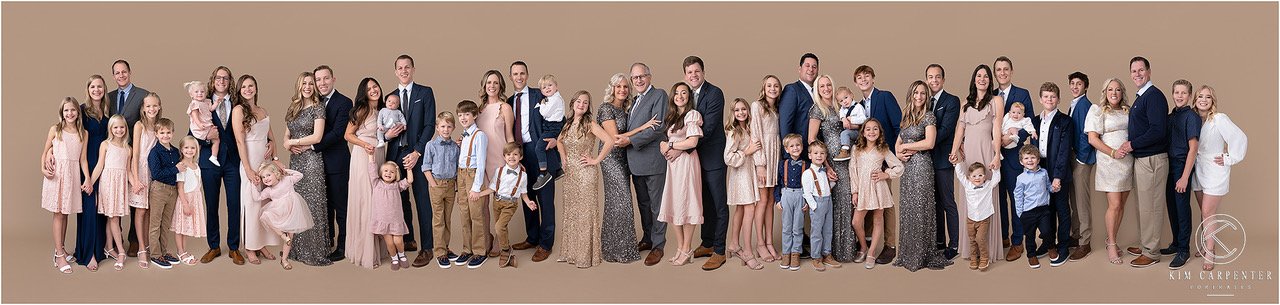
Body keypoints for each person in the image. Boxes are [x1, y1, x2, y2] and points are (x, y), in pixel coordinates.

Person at [947, 64, 1006, 265]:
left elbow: (997, 128)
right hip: (969, 154)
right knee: (969, 194)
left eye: (986, 76)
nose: (982, 79)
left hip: (986, 151)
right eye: (979, 76)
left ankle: (988, 250)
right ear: (974, 79)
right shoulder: (965, 103)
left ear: (990, 81)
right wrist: (954, 151)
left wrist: (997, 154)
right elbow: (959, 131)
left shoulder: (996, 101)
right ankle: (971, 249)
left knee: (988, 194)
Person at [892, 81, 952, 271]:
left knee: (921, 208)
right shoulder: (906, 117)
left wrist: (906, 147)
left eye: (923, 94)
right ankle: (908, 254)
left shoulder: (929, 116)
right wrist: (899, 153)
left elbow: (929, 143)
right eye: (916, 93)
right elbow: (898, 142)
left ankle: (922, 254)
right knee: (909, 209)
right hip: (907, 170)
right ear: (911, 94)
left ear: (926, 97)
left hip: (922, 167)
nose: (919, 96)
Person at [385, 54, 437, 256]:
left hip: (418, 153)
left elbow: (429, 125)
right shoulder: (389, 97)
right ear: (395, 71)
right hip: (395, 154)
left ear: (413, 69)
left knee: (422, 199)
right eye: (400, 68)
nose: (404, 71)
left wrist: (417, 151)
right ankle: (408, 240)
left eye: (407, 67)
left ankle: (427, 247)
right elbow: (384, 128)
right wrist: (388, 136)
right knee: (400, 200)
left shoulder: (424, 93)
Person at [1191, 85, 1246, 271]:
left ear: (1212, 101)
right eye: (1200, 96)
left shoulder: (1219, 119)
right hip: (1198, 168)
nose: (1203, 100)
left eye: (1208, 97)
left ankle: (1210, 251)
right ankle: (1207, 243)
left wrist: (1230, 158)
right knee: (1203, 210)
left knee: (1208, 211)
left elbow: (1240, 138)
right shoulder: (1193, 119)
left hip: (1215, 169)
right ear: (1195, 99)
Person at [507, 61, 558, 263]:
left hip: (541, 151)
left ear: (527, 75)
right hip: (519, 154)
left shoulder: (541, 95)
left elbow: (558, 115)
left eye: (522, 73)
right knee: (525, 194)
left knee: (545, 200)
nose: (519, 77)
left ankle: (545, 244)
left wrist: (556, 136)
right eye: (515, 74)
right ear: (510, 77)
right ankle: (532, 237)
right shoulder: (509, 101)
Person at [1120, 56, 1169, 268]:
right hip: (1142, 159)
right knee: (1143, 206)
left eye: (1141, 70)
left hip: (1153, 160)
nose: (1137, 74)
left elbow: (1158, 131)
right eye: (1133, 71)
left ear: (1149, 71)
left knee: (1152, 207)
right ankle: (1146, 243)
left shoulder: (1154, 96)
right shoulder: (1141, 96)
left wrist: (1131, 144)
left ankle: (1152, 252)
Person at [682, 56, 729, 271]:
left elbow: (707, 129)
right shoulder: (684, 94)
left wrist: (682, 148)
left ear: (703, 72)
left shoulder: (715, 93)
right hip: (693, 160)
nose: (694, 75)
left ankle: (719, 250)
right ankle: (707, 243)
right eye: (690, 72)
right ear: (685, 75)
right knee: (705, 203)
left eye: (697, 71)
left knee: (719, 204)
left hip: (712, 157)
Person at [555, 91, 611, 268]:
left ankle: (586, 256)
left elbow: (609, 141)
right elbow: (559, 142)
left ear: (588, 107)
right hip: (571, 175)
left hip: (586, 174)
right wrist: (563, 157)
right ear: (573, 103)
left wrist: (595, 160)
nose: (581, 104)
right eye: (578, 101)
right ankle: (570, 252)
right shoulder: (568, 123)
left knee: (586, 213)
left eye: (585, 103)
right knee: (571, 212)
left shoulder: (590, 124)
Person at [618, 63, 666, 265]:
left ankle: (658, 246)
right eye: (635, 77)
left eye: (642, 76)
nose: (638, 80)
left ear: (650, 77)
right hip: (635, 162)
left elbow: (657, 127)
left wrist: (630, 141)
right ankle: (647, 238)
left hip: (653, 161)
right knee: (643, 205)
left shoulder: (659, 95)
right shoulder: (634, 101)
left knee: (656, 206)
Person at [282, 72, 332, 266]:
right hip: (295, 161)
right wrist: (287, 143)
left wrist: (294, 141)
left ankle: (315, 251)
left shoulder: (318, 108)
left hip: (311, 161)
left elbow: (317, 137)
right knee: (297, 204)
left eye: (311, 83)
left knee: (313, 203)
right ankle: (298, 250)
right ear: (299, 86)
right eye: (304, 83)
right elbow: (286, 135)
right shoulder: (293, 107)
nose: (308, 86)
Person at [197, 66, 245, 265]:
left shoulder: (238, 103)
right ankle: (214, 246)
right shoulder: (202, 102)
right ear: (213, 80)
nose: (222, 81)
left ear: (230, 81)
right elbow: (193, 132)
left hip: (233, 161)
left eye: (225, 78)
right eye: (218, 77)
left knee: (234, 204)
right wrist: (207, 138)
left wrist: (269, 142)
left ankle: (234, 247)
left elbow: (250, 126)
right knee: (212, 205)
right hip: (210, 161)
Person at [221, 75, 270, 265]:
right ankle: (250, 247)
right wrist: (248, 168)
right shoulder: (238, 110)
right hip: (249, 160)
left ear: (256, 88)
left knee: (264, 203)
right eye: (244, 87)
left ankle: (261, 243)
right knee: (251, 205)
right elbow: (240, 141)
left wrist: (273, 148)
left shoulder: (262, 110)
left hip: (264, 163)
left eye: (251, 86)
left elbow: (269, 135)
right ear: (240, 91)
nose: (248, 89)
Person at [1085, 78, 1134, 265]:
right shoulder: (1097, 111)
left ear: (1122, 92)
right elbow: (1092, 139)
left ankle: (1110, 238)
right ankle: (1112, 244)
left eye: (1118, 89)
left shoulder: (1127, 110)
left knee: (1121, 204)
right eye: (1110, 89)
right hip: (1109, 162)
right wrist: (1113, 152)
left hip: (1127, 162)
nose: (1114, 93)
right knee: (1114, 205)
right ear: (1105, 92)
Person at [807, 74, 854, 263]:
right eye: (822, 86)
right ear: (817, 90)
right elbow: (811, 139)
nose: (826, 88)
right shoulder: (817, 109)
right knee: (832, 206)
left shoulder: (839, 106)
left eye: (828, 85)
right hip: (830, 162)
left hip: (847, 159)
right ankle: (828, 251)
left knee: (846, 201)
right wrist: (825, 166)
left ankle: (845, 249)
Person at [599, 73, 645, 264]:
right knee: (622, 201)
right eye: (619, 87)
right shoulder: (605, 109)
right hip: (610, 159)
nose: (622, 90)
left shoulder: (627, 110)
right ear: (612, 88)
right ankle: (619, 250)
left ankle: (614, 248)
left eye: (626, 87)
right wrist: (644, 127)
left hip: (625, 160)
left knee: (616, 203)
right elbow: (616, 140)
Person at [107, 60, 151, 257]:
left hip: (136, 153)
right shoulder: (109, 97)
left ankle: (135, 240)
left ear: (130, 73)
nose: (121, 75)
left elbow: (153, 119)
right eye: (117, 73)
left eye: (124, 72)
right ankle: (115, 241)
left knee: (136, 197)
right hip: (114, 155)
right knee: (113, 198)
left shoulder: (142, 95)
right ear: (114, 76)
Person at [310, 65, 353, 263]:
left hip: (337, 163)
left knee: (340, 206)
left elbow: (338, 133)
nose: (322, 83)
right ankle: (327, 242)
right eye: (318, 80)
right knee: (324, 206)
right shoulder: (312, 102)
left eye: (326, 78)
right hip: (316, 165)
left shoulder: (344, 102)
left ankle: (343, 246)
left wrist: (312, 147)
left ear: (333, 79)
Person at [660, 81, 705, 267]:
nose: (680, 96)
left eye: (684, 93)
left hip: (687, 164)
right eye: (676, 93)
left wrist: (671, 146)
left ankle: (687, 248)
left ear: (689, 96)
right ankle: (680, 248)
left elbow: (692, 142)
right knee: (674, 203)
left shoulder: (692, 115)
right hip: (673, 167)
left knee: (687, 203)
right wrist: (664, 148)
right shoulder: (671, 117)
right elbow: (666, 142)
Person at [1029, 82, 1074, 267]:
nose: (1049, 99)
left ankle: (1063, 246)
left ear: (1058, 99)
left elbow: (1064, 151)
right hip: (1041, 169)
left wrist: (1057, 177)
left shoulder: (1065, 121)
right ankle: (1049, 244)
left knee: (1061, 209)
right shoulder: (1035, 121)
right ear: (1040, 99)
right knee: (1045, 210)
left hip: (1058, 168)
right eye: (1046, 96)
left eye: (1053, 96)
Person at [345, 77, 388, 269]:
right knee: (367, 200)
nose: (373, 90)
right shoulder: (362, 110)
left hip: (379, 155)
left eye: (375, 86)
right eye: (369, 88)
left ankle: (378, 246)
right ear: (364, 92)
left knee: (378, 199)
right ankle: (365, 250)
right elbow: (348, 134)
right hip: (363, 156)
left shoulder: (384, 111)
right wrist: (365, 145)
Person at [851, 119, 904, 269]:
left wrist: (886, 174)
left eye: (875, 129)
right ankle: (863, 247)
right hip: (862, 189)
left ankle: (871, 252)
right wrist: (854, 191)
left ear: (880, 132)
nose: (872, 132)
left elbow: (899, 166)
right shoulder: (856, 149)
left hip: (878, 188)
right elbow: (852, 170)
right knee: (856, 222)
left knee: (878, 219)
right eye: (868, 129)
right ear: (863, 132)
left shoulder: (883, 149)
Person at [474, 143, 539, 268]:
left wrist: (528, 202)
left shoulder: (523, 175)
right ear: (504, 157)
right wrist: (480, 194)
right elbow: (492, 188)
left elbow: (523, 193)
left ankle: (505, 250)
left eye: (515, 154)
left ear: (520, 157)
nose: (512, 157)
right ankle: (506, 252)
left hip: (510, 204)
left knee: (499, 226)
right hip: (496, 202)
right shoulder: (499, 171)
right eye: (508, 154)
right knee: (501, 227)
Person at [993, 57, 1033, 257]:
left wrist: (1013, 138)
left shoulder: (1022, 94)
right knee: (997, 198)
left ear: (1011, 71)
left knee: (1016, 198)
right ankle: (1003, 237)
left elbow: (1030, 122)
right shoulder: (990, 95)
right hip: (994, 156)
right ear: (995, 73)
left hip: (1013, 156)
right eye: (998, 69)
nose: (1002, 72)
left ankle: (1018, 241)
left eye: (1006, 69)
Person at [82, 115, 131, 270]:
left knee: (112, 217)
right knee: (113, 218)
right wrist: (89, 181)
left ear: (126, 128)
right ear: (110, 129)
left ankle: (109, 247)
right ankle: (121, 252)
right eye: (115, 127)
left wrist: (135, 183)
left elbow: (128, 170)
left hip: (120, 185)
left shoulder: (128, 148)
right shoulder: (105, 144)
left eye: (122, 127)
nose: (119, 130)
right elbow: (99, 166)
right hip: (108, 184)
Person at [43, 98, 87, 274]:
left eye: (73, 110)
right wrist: (43, 167)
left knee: (66, 213)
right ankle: (59, 255)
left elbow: (83, 159)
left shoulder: (83, 133)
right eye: (66, 110)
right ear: (62, 112)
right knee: (59, 214)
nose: (70, 114)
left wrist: (88, 179)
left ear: (78, 112)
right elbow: (45, 151)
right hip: (58, 175)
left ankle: (60, 249)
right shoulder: (56, 129)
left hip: (72, 174)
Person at [1160, 79, 1200, 270]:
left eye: (1184, 93)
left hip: (1182, 165)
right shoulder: (1171, 116)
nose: (1180, 96)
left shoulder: (1191, 117)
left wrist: (1185, 176)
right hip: (1168, 165)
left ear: (1190, 95)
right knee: (1172, 206)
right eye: (1177, 92)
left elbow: (1193, 149)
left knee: (1182, 208)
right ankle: (1176, 242)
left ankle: (1184, 249)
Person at [252, 160, 318, 270]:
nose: (266, 178)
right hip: (279, 212)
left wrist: (284, 170)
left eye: (268, 175)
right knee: (264, 216)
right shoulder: (269, 190)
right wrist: (253, 185)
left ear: (276, 173)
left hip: (292, 211)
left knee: (290, 237)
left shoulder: (287, 180)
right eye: (263, 177)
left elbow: (299, 175)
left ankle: (284, 260)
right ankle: (282, 235)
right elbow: (257, 197)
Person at [926, 64, 962, 260]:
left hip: (942, 160)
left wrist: (923, 144)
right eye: (930, 77)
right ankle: (939, 241)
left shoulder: (951, 101)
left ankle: (954, 244)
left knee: (948, 202)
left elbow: (946, 130)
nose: (934, 80)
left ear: (943, 79)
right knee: (935, 203)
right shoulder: (923, 101)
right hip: (926, 161)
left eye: (937, 77)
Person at [475, 70, 512, 260]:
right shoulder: (478, 110)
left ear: (500, 86)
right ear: (484, 85)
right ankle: (487, 237)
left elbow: (510, 136)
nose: (492, 86)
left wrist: (512, 161)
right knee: (483, 203)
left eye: (496, 83)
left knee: (499, 203)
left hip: (499, 160)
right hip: (481, 161)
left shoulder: (505, 107)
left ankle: (499, 239)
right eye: (489, 82)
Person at [723, 98, 763, 270]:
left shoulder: (748, 128)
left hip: (748, 172)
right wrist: (747, 152)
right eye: (737, 110)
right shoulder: (734, 132)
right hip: (740, 174)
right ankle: (747, 251)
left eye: (743, 109)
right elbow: (728, 157)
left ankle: (733, 243)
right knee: (750, 208)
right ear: (733, 113)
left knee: (740, 208)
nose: (741, 113)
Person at [74, 77, 109, 271]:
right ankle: (88, 255)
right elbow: (65, 130)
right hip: (86, 165)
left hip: (105, 165)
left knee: (100, 208)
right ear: (88, 89)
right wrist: (49, 153)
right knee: (89, 208)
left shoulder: (107, 111)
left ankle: (99, 248)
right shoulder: (80, 110)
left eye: (100, 86)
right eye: (93, 86)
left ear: (104, 89)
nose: (97, 90)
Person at [420, 112, 460, 268]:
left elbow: (457, 167)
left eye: (449, 126)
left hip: (450, 186)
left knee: (447, 219)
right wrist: (433, 184)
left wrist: (456, 186)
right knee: (438, 220)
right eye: (443, 126)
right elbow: (426, 166)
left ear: (453, 128)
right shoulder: (431, 145)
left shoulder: (455, 147)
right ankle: (440, 252)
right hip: (436, 184)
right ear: (437, 128)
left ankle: (446, 247)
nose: (446, 129)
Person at [1064, 71, 1097, 261]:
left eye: (1079, 84)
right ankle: (1076, 236)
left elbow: (1087, 134)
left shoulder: (1085, 105)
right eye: (1073, 83)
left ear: (1085, 86)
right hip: (1072, 157)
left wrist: (1081, 159)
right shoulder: (1074, 104)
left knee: (1082, 202)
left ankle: (1085, 242)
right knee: (1074, 199)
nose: (1075, 87)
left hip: (1081, 159)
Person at [750, 75, 783, 263]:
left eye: (776, 85)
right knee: (762, 201)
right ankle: (760, 243)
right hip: (763, 158)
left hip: (775, 156)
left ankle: (770, 242)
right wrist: (760, 164)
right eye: (769, 85)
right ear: (764, 88)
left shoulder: (776, 109)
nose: (773, 88)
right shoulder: (757, 106)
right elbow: (756, 135)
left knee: (770, 200)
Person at [455, 100, 490, 269]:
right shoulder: (464, 135)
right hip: (461, 174)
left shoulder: (480, 135)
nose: (463, 118)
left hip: (473, 175)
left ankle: (480, 251)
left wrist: (476, 187)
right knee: (464, 213)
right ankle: (467, 248)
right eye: (460, 115)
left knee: (476, 215)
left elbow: (481, 163)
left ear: (475, 115)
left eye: (467, 114)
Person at [128, 93, 162, 268]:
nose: (152, 109)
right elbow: (135, 154)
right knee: (140, 210)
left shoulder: (159, 126)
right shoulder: (139, 125)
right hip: (141, 170)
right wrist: (135, 179)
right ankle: (141, 247)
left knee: (149, 210)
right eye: (148, 106)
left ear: (159, 107)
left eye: (155, 106)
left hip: (153, 170)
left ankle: (148, 244)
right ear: (143, 108)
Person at [146, 117, 180, 269]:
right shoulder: (154, 152)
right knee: (155, 224)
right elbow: (156, 173)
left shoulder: (176, 151)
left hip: (172, 190)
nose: (165, 135)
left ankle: (163, 251)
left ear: (172, 133)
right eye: (162, 133)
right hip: (159, 189)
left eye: (168, 132)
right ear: (156, 134)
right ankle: (155, 254)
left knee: (166, 224)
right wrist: (176, 169)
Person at [366, 158, 412, 271]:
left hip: (396, 220)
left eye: (392, 172)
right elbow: (371, 168)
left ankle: (402, 254)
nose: (388, 173)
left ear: (396, 175)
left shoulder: (397, 185)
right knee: (390, 243)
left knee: (398, 241)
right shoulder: (376, 183)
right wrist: (371, 156)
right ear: (381, 172)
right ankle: (394, 258)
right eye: (386, 171)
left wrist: (409, 168)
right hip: (383, 220)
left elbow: (409, 180)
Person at [954, 162, 1000, 271]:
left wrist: (995, 169)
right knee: (972, 240)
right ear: (969, 178)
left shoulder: (988, 185)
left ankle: (984, 257)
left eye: (980, 175)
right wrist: (957, 164)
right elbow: (960, 175)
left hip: (983, 219)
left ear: (984, 176)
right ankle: (974, 258)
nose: (977, 178)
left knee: (980, 238)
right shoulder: (968, 185)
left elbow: (996, 179)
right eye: (974, 176)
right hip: (970, 219)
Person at [1013, 145, 1053, 269]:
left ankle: (1051, 247)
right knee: (1030, 236)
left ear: (1038, 160)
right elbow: (1018, 196)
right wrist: (1020, 213)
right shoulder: (1021, 179)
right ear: (1021, 162)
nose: (1030, 160)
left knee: (1047, 231)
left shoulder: (1044, 173)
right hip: (1028, 212)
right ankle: (1031, 255)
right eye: (1026, 158)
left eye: (1033, 157)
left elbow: (1048, 186)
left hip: (1043, 209)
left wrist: (1054, 188)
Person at [171, 136, 207, 266]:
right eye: (186, 147)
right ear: (181, 149)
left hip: (194, 198)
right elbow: (180, 187)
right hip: (185, 199)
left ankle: (183, 250)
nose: (189, 150)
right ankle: (180, 252)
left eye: (192, 148)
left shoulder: (196, 165)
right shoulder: (182, 166)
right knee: (180, 228)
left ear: (196, 149)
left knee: (185, 228)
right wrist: (185, 204)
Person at [802, 141, 838, 272]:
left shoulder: (824, 172)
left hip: (828, 201)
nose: (819, 155)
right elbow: (807, 193)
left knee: (828, 229)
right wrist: (814, 206)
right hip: (817, 203)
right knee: (816, 232)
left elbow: (826, 187)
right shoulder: (808, 173)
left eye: (822, 153)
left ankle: (827, 253)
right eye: (816, 153)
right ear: (810, 155)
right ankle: (816, 256)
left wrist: (833, 182)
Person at [775, 134, 807, 271]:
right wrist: (777, 199)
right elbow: (777, 183)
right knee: (787, 227)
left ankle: (795, 253)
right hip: (786, 194)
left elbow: (809, 185)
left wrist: (807, 201)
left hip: (801, 195)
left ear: (802, 147)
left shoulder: (807, 164)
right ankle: (786, 253)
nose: (795, 148)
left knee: (797, 227)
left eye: (798, 145)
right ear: (787, 149)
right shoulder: (782, 164)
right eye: (792, 146)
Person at [854, 65, 903, 152]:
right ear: (856, 83)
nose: (863, 80)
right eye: (859, 77)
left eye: (867, 76)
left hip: (890, 151)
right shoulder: (858, 106)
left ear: (873, 79)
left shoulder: (885, 96)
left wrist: (899, 149)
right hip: (870, 156)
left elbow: (899, 126)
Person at [532, 75, 566, 189]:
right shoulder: (553, 98)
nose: (547, 88)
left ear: (556, 86)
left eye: (550, 85)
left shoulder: (555, 99)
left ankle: (543, 173)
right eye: (544, 87)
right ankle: (558, 169)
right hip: (552, 126)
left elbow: (545, 113)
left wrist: (541, 105)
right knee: (551, 147)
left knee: (539, 148)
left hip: (553, 126)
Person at [779, 53, 819, 149]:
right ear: (800, 69)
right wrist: (788, 154)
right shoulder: (792, 90)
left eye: (814, 67)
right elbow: (785, 124)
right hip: (798, 152)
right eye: (807, 66)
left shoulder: (819, 92)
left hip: (816, 153)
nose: (811, 69)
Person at [185, 81, 222, 166]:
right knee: (198, 143)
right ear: (191, 95)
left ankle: (213, 156)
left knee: (216, 140)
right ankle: (195, 159)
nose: (200, 93)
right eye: (196, 92)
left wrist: (216, 102)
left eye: (202, 91)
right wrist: (199, 124)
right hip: (200, 127)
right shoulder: (194, 104)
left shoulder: (207, 102)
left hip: (208, 125)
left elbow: (211, 109)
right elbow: (195, 116)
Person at [833, 86, 867, 161]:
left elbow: (864, 119)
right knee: (844, 133)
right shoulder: (843, 109)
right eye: (841, 101)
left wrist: (852, 119)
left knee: (844, 134)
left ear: (851, 95)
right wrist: (844, 119)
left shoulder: (858, 107)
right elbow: (841, 114)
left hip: (859, 132)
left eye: (846, 97)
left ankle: (845, 151)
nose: (844, 101)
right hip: (851, 131)